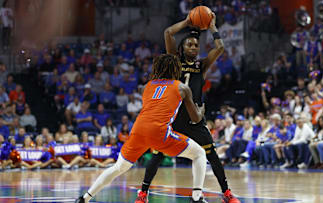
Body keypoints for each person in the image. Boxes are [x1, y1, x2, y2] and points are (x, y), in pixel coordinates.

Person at [76, 54, 207, 203]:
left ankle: (85, 198)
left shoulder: (146, 86)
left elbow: (158, 104)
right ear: (176, 69)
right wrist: (201, 110)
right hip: (158, 131)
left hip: (138, 128)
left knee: (118, 168)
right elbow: (195, 118)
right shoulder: (182, 87)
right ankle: (196, 197)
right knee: (199, 154)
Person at [137, 12, 239, 203]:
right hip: (174, 116)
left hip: (195, 117)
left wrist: (212, 26)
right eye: (189, 44)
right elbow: (168, 33)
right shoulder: (174, 61)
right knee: (157, 155)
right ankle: (143, 193)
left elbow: (220, 47)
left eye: (196, 45)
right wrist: (187, 22)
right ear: (182, 48)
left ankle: (226, 192)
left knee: (212, 155)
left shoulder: (202, 65)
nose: (193, 47)